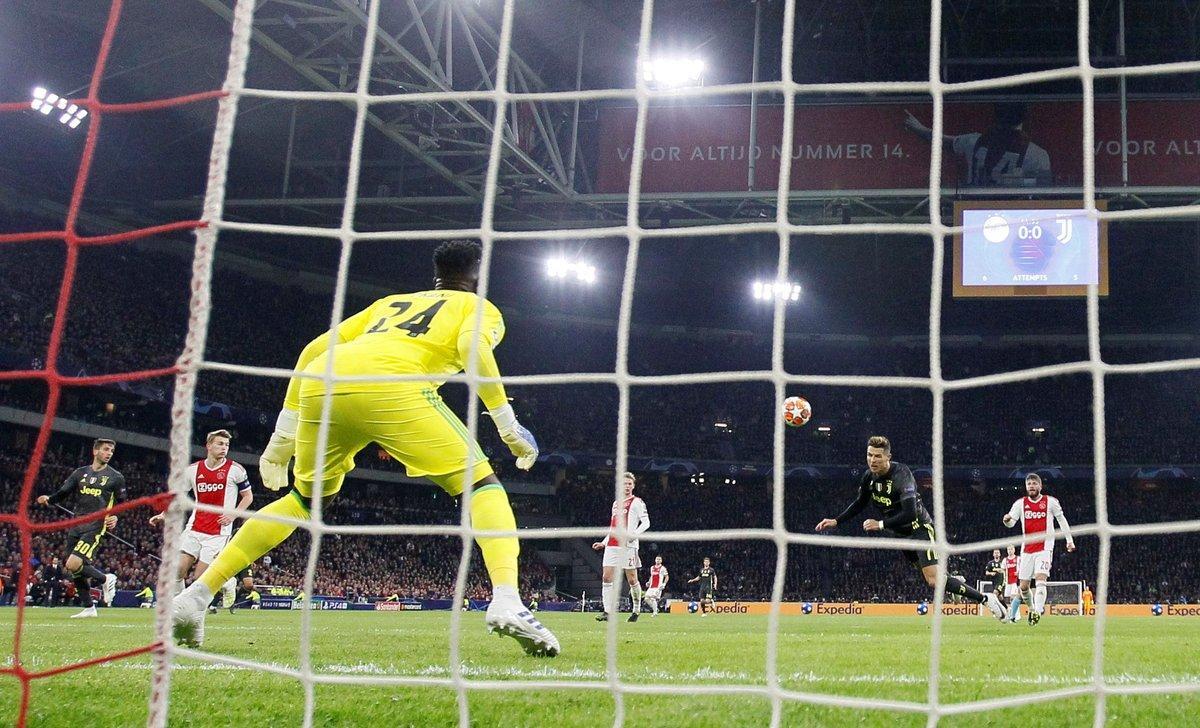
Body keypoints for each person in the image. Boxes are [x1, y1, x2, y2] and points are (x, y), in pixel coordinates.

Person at [172, 240, 558, 656]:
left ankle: (195, 597)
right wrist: (506, 422)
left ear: (436, 272)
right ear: (478, 274)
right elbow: (472, 348)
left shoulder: (390, 303)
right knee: (482, 485)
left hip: (324, 381)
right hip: (396, 385)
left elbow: (312, 350)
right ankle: (507, 598)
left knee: (303, 501)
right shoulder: (479, 309)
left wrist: (280, 440)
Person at [816, 436, 1006, 620]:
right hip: (901, 535)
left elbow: (910, 514)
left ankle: (985, 599)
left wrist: (880, 524)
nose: (872, 460)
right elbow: (860, 502)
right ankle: (952, 580)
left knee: (934, 580)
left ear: (888, 457)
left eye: (877, 456)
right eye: (869, 455)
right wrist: (836, 521)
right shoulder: (869, 477)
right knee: (935, 579)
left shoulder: (902, 475)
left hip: (920, 529)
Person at [150, 430, 252, 599]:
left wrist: (233, 515)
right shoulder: (193, 470)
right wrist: (163, 514)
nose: (224, 448)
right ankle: (178, 606)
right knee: (177, 570)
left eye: (227, 445)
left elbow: (248, 497)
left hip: (218, 533)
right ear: (208, 446)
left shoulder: (236, 470)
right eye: (220, 444)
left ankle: (227, 582)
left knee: (199, 579)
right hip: (195, 528)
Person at [36, 438, 124, 618]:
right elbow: (63, 492)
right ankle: (89, 607)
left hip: (96, 525)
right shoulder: (80, 473)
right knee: (73, 568)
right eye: (106, 450)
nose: (109, 453)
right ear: (95, 451)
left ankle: (106, 579)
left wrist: (115, 516)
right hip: (76, 524)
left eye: (111, 451)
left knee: (73, 563)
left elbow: (122, 504)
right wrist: (49, 499)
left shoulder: (116, 477)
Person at [903, 102, 1051, 186]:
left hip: (972, 210)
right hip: (1013, 215)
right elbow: (1045, 189)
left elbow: (942, 141)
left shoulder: (974, 141)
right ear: (1026, 117)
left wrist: (919, 128)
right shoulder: (1037, 155)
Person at [1003, 473, 1075, 626]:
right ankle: (1031, 608)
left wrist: (1069, 540)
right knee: (1023, 586)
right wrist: (1006, 521)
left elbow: (1061, 519)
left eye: (1034, 483)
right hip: (1027, 549)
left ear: (1040, 486)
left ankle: (1037, 611)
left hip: (1044, 547)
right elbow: (1011, 523)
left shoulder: (1050, 502)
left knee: (1041, 578)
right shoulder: (1020, 504)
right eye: (1029, 484)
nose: (1031, 486)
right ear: (1026, 487)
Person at [591, 472, 650, 623]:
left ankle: (636, 609)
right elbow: (613, 527)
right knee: (606, 577)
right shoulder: (616, 503)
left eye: (630, 484)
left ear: (633, 486)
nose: (627, 486)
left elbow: (646, 523)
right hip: (612, 545)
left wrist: (633, 534)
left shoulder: (637, 502)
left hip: (628, 545)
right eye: (625, 483)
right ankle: (607, 611)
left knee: (631, 579)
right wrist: (604, 542)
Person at [1003, 545, 1021, 623]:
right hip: (1008, 582)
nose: (1010, 551)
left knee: (1013, 598)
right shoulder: (1005, 560)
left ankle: (1015, 616)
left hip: (1015, 582)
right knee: (1008, 600)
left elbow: (1022, 568)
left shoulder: (1018, 559)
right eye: (1008, 549)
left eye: (1011, 549)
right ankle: (1013, 615)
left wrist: (1019, 572)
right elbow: (1003, 570)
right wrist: (1004, 579)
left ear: (1014, 550)